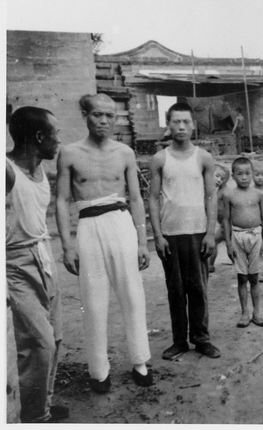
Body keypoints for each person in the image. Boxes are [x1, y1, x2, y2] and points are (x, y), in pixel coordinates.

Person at [56, 93, 153, 393]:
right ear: (85, 115)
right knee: (94, 301)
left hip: (121, 223)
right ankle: (99, 371)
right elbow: (61, 200)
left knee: (132, 294)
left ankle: (140, 361)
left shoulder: (125, 152)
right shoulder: (69, 153)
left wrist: (141, 241)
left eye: (110, 116)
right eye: (98, 114)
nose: (104, 121)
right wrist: (67, 245)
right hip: (88, 227)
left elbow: (136, 197)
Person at [5, 106, 69, 423]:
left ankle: (41, 405)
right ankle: (33, 418)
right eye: (56, 134)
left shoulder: (40, 169)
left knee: (54, 337)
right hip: (15, 265)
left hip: (43, 256)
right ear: (40, 137)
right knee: (39, 342)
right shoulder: (7, 170)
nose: (60, 141)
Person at [148, 102, 221, 361]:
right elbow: (154, 199)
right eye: (175, 122)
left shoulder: (203, 157)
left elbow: (212, 196)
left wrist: (210, 233)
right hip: (171, 235)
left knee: (199, 289)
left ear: (193, 125)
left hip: (198, 233)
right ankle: (179, 341)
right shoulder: (159, 158)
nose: (181, 127)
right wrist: (158, 236)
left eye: (186, 122)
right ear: (168, 125)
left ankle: (201, 339)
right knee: (176, 291)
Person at [223, 157, 263, 328]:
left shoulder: (258, 194)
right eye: (239, 174)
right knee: (242, 277)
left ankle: (257, 312)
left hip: (256, 236)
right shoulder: (229, 195)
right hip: (238, 237)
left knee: (255, 277)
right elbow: (226, 220)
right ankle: (244, 312)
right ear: (233, 176)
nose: (244, 177)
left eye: (247, 173)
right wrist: (228, 244)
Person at [208, 164, 231, 273]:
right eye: (217, 176)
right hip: (223, 224)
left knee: (228, 245)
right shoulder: (216, 190)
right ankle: (210, 265)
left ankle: (242, 267)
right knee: (218, 243)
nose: (219, 180)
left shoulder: (224, 192)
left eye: (222, 179)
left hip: (228, 224)